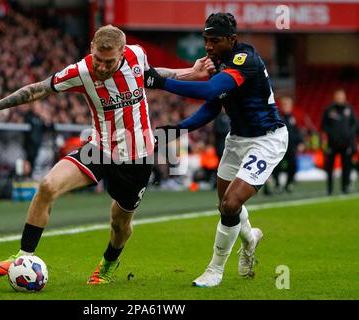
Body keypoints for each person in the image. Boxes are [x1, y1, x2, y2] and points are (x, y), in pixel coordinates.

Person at [0, 25, 212, 285]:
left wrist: (192, 73)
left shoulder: (137, 55)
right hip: (99, 149)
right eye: (98, 60)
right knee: (47, 185)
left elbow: (154, 76)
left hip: (137, 159)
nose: (102, 67)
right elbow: (39, 88)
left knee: (120, 224)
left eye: (109, 61)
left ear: (123, 52)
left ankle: (109, 264)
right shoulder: (81, 71)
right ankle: (23, 256)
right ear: (92, 47)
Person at [146, 12, 288, 287]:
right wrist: (179, 129)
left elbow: (210, 88)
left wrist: (160, 82)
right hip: (237, 139)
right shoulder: (221, 62)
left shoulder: (244, 60)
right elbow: (213, 102)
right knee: (224, 206)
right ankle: (250, 239)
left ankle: (215, 270)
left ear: (232, 39)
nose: (208, 46)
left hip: (266, 139)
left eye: (214, 40)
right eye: (205, 40)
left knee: (231, 203)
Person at [321, 88, 358, 195]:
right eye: (337, 97)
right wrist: (329, 137)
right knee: (330, 167)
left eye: (341, 96)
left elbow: (355, 124)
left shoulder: (349, 109)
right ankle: (330, 189)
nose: (339, 98)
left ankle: (345, 186)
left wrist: (352, 136)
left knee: (346, 166)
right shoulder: (328, 110)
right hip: (332, 144)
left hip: (346, 144)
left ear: (344, 97)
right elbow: (324, 126)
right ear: (334, 98)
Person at [272, 96, 303, 193]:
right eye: (284, 104)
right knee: (276, 166)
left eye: (288, 104)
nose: (286, 106)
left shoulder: (293, 118)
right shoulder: (277, 117)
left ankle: (289, 183)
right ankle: (277, 184)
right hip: (279, 146)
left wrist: (300, 142)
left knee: (293, 165)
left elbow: (296, 132)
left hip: (291, 147)